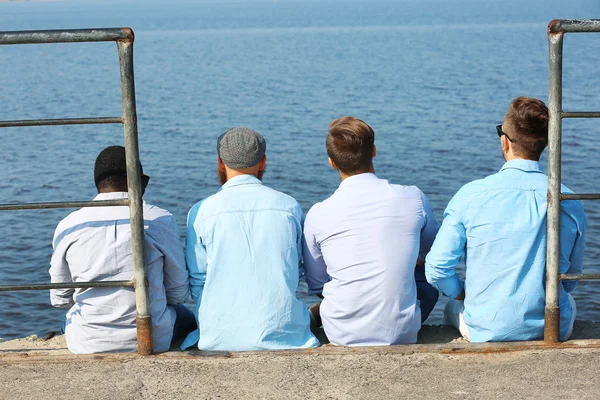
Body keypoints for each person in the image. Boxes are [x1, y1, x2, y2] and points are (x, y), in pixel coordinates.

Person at [425, 96, 587, 342]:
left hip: (486, 329)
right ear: (545, 143)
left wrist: (460, 295)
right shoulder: (569, 199)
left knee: (451, 309)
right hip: (552, 327)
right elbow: (570, 279)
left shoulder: (471, 195)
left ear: (505, 141)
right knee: (569, 301)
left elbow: (437, 268)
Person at [302, 116, 440, 346]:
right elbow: (435, 256)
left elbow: (317, 284)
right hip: (401, 333)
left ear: (331, 162)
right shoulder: (412, 197)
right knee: (425, 275)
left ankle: (319, 313)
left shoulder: (318, 214)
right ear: (374, 151)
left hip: (340, 332)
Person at [182, 127, 319, 351]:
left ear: (220, 162)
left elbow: (198, 282)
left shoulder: (202, 211)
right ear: (263, 161)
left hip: (218, 335)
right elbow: (298, 270)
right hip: (285, 333)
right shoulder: (289, 206)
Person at [49, 145, 195, 353]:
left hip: (86, 341)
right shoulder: (159, 219)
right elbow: (178, 294)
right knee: (186, 315)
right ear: (135, 180)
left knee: (69, 322)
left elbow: (59, 298)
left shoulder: (69, 224)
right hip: (150, 339)